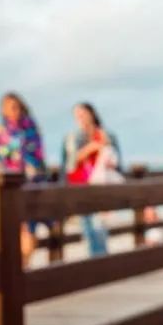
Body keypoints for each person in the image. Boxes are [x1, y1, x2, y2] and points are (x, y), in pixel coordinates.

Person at [0, 92, 47, 265]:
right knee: (13, 230)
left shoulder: (29, 128)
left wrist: (8, 140)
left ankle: (23, 266)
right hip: (8, 184)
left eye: (15, 107)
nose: (13, 111)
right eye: (8, 108)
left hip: (29, 184)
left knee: (27, 228)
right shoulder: (2, 130)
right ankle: (20, 268)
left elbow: (32, 155)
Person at [62, 102, 122, 256]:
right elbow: (70, 163)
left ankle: (101, 261)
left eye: (83, 114)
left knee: (100, 225)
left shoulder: (107, 135)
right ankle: (96, 261)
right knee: (88, 227)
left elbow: (117, 161)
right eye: (77, 116)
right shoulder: (73, 137)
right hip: (82, 186)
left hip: (102, 185)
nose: (80, 118)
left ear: (92, 114)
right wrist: (91, 148)